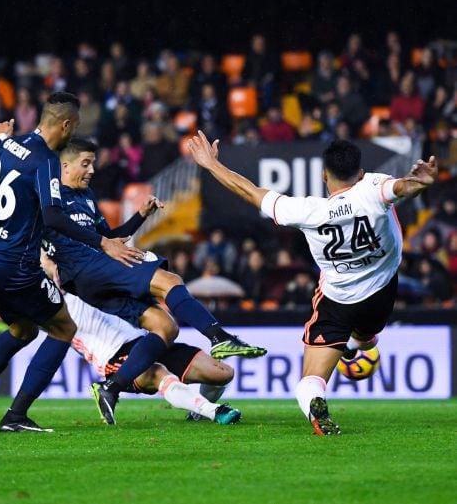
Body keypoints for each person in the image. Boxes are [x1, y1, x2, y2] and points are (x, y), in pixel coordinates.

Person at [187, 130, 437, 436]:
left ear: (323, 175)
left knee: (310, 381)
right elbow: (398, 188)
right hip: (382, 292)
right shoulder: (371, 187)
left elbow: (250, 191)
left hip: (337, 301)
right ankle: (362, 345)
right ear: (360, 173)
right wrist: (418, 183)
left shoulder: (306, 211)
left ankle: (318, 402)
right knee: (366, 336)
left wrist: (212, 165)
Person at [0, 92, 144, 433]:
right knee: (64, 328)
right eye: (74, 127)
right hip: (17, 264)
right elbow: (51, 215)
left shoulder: (12, 144)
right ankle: (16, 415)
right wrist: (102, 242)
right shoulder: (46, 160)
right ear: (66, 124)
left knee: (22, 330)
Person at [44, 138, 266, 425]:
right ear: (65, 165)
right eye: (85, 163)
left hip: (100, 275)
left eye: (93, 163)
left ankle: (111, 388)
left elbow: (111, 238)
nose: (92, 170)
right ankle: (218, 337)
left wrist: (139, 217)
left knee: (166, 327)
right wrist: (45, 261)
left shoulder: (86, 198)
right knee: (169, 279)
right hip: (85, 270)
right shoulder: (51, 199)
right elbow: (40, 232)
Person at [40, 253, 241, 425]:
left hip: (151, 341)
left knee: (223, 373)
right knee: (157, 374)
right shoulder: (53, 309)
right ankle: (213, 411)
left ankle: (197, 414)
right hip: (114, 358)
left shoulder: (88, 281)